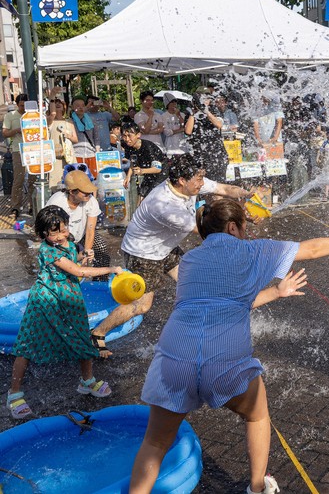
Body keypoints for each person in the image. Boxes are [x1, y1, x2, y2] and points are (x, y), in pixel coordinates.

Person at [128, 198, 329, 494]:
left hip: (174, 359)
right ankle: (257, 487)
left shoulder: (190, 261)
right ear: (232, 227)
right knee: (257, 415)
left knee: (155, 443)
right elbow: (312, 249)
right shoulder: (254, 250)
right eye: (243, 227)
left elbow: (225, 303)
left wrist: (276, 293)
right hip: (225, 361)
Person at [88, 154, 252, 357]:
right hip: (143, 253)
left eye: (202, 178)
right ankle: (97, 333)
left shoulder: (192, 183)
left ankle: (206, 330)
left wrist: (247, 194)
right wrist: (243, 219)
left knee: (195, 283)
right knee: (142, 305)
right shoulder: (164, 205)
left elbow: (226, 189)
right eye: (198, 179)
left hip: (165, 247)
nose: (201, 183)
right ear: (182, 180)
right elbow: (203, 229)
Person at [6, 206, 122, 420]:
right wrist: (111, 269)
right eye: (55, 232)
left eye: (64, 229)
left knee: (82, 337)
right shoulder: (47, 250)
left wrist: (82, 256)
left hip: (70, 298)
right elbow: (78, 272)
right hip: (46, 300)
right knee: (26, 345)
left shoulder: (67, 243)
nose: (62, 235)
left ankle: (87, 381)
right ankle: (14, 394)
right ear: (43, 235)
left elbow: (75, 262)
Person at [45, 170, 111, 273]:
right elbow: (50, 231)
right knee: (65, 263)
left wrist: (86, 253)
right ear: (71, 192)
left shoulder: (91, 201)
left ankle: (100, 281)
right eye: (85, 191)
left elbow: (90, 229)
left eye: (89, 191)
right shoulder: (57, 202)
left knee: (100, 247)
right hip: (60, 236)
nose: (88, 194)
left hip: (82, 235)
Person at [3, 94, 34, 218]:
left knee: (33, 180)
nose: (23, 108)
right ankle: (15, 207)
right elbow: (5, 133)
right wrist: (17, 130)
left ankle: (33, 206)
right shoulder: (10, 116)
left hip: (33, 149)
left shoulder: (33, 116)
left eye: (25, 106)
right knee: (18, 179)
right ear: (17, 104)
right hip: (18, 150)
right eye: (21, 106)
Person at [185, 93, 228, 182]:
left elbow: (219, 124)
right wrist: (193, 113)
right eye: (201, 99)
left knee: (218, 184)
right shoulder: (190, 113)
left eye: (206, 98)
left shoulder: (214, 110)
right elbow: (188, 131)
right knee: (201, 184)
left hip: (216, 154)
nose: (204, 101)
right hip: (199, 155)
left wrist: (206, 111)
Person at [120, 121, 168, 200]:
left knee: (151, 197)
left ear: (138, 135)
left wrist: (142, 171)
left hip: (162, 173)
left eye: (129, 136)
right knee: (141, 195)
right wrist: (128, 176)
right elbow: (133, 162)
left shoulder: (148, 147)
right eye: (124, 136)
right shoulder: (128, 146)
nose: (127, 139)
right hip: (147, 171)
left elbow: (157, 169)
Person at [47, 98, 78, 190]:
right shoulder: (50, 121)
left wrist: (68, 136)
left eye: (60, 103)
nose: (57, 104)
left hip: (69, 157)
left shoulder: (69, 121)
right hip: (55, 158)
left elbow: (76, 139)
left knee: (71, 183)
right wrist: (51, 97)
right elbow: (52, 114)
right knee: (55, 185)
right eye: (55, 103)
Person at [162, 94, 187, 158]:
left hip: (182, 146)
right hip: (170, 147)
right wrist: (180, 130)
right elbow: (167, 132)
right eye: (172, 102)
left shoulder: (182, 114)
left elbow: (185, 127)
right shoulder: (163, 116)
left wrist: (179, 116)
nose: (174, 104)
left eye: (175, 102)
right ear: (167, 104)